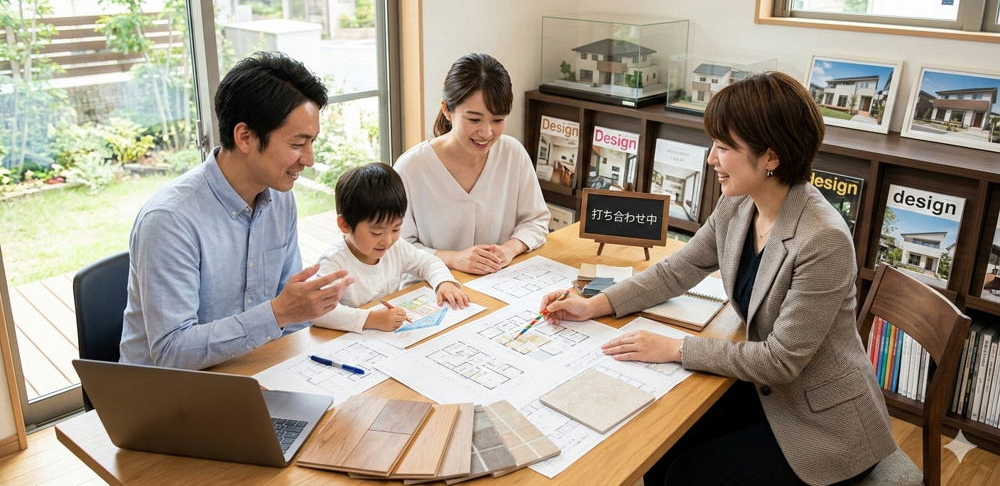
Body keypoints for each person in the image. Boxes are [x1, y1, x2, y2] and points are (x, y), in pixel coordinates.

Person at [541, 72, 895, 486]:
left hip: (823, 425)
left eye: (725, 147)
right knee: (657, 449)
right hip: (766, 396)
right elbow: (680, 268)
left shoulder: (824, 239)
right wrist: (594, 304)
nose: (711, 159)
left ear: (772, 158)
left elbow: (781, 361)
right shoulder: (740, 204)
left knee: (682, 474)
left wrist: (676, 348)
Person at [120, 51, 354, 370]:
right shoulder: (170, 220)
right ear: (245, 137)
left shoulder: (280, 199)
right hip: (171, 394)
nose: (309, 159)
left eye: (312, 142)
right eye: (298, 144)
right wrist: (279, 313)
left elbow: (295, 316)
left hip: (254, 370)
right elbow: (171, 352)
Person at [394, 53, 549, 275]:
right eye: (474, 119)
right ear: (447, 110)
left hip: (499, 279)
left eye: (498, 120)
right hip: (432, 286)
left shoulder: (512, 153)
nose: (486, 132)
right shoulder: (410, 168)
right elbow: (399, 246)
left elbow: (536, 219)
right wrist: (453, 259)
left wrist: (509, 249)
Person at [311, 162, 469, 333]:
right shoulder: (334, 262)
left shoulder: (396, 247)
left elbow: (427, 262)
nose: (387, 240)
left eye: (395, 228)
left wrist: (444, 282)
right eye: (376, 233)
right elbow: (318, 312)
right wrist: (370, 319)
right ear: (344, 224)